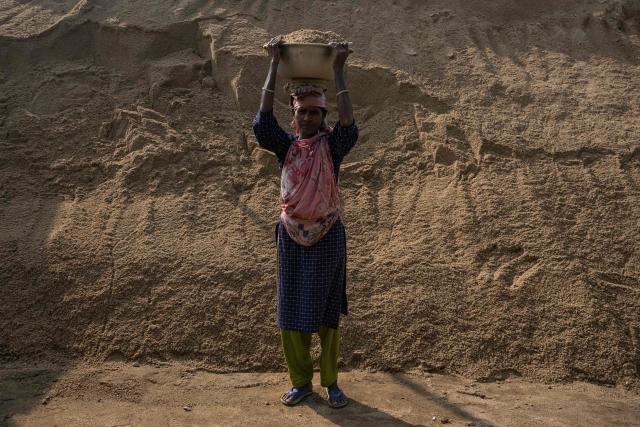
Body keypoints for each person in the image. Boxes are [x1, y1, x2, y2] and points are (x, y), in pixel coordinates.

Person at [252, 37, 357, 408]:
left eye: (316, 113)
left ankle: (331, 383)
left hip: (328, 234)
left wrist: (339, 70)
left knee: (328, 316)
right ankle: (301, 382)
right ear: (294, 117)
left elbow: (350, 126)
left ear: (322, 117)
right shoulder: (287, 148)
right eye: (303, 113)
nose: (309, 118)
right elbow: (262, 123)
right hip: (291, 236)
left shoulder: (333, 148)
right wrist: (273, 65)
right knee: (291, 314)